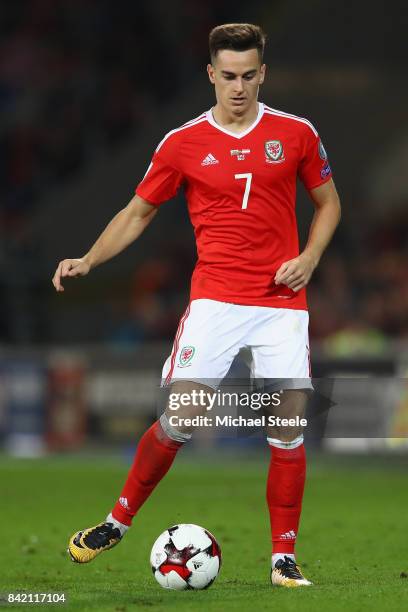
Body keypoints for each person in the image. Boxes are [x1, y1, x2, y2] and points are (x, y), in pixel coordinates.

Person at [52, 23, 341, 587]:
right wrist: (89, 259)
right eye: (228, 76)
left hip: (283, 300)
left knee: (288, 427)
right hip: (215, 298)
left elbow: (328, 204)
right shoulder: (182, 143)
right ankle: (117, 521)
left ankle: (283, 559)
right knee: (183, 416)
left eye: (249, 75)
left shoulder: (297, 133)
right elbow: (137, 213)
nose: (239, 87)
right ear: (211, 74)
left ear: (264, 73)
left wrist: (309, 257)